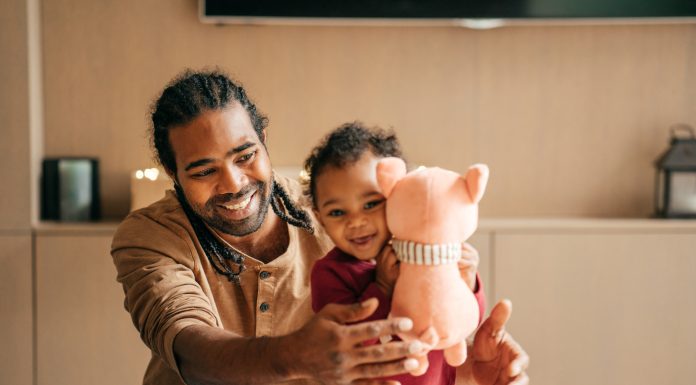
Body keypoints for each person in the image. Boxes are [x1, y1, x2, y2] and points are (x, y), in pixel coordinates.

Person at [110, 69, 529, 385]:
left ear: (264, 138)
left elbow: (420, 305)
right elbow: (187, 342)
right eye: (204, 171)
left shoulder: (336, 211)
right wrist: (290, 355)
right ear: (171, 170)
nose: (234, 183)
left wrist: (467, 368)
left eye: (244, 156)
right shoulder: (150, 237)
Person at [305, 122, 488, 385]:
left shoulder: (431, 255)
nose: (356, 222)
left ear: (398, 193)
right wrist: (381, 287)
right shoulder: (329, 273)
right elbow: (344, 345)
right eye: (337, 212)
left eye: (371, 204)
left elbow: (466, 322)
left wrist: (468, 283)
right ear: (320, 219)